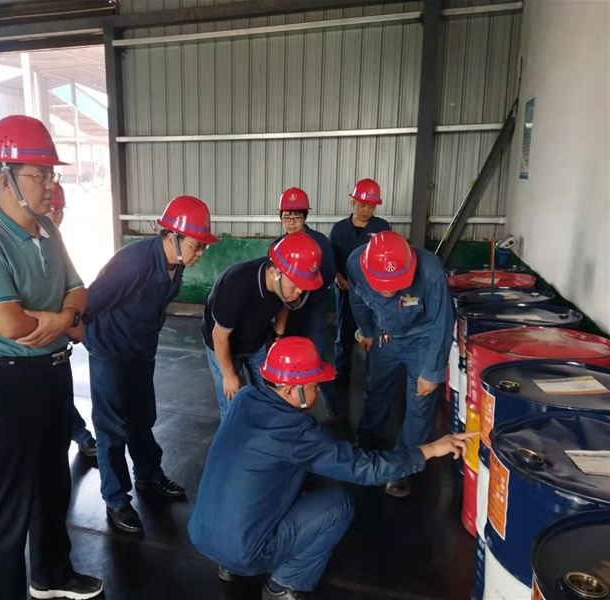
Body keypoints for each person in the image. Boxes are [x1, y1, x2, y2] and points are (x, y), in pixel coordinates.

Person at [188, 337, 475, 600]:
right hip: (245, 552)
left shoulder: (245, 398)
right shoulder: (297, 434)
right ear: (292, 389)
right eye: (314, 385)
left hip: (202, 534)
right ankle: (285, 584)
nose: (318, 390)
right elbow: (367, 469)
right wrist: (431, 449)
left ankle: (229, 566)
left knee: (272, 483)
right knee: (339, 504)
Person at [0, 115, 102, 600]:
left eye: (51, 174)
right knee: (4, 505)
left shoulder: (48, 231)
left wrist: (58, 319)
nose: (50, 185)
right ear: (5, 178)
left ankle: (51, 575)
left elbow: (79, 291)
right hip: (3, 386)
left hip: (52, 376)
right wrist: (66, 321)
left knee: (52, 486)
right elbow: (11, 325)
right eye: (39, 175)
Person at [81, 195, 219, 534]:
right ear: (172, 236)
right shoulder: (131, 263)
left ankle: (147, 474)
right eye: (196, 245)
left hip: (141, 351)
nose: (200, 254)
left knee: (142, 418)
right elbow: (89, 302)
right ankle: (116, 499)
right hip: (110, 352)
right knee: (112, 428)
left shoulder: (177, 264)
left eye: (203, 246)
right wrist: (90, 341)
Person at [346, 231, 454, 498]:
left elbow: (442, 323)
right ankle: (367, 440)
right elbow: (357, 300)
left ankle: (404, 465)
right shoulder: (355, 263)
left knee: (420, 401)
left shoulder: (431, 272)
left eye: (394, 284)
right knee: (376, 388)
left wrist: (432, 371)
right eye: (381, 284)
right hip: (385, 336)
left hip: (423, 340)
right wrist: (366, 330)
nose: (387, 290)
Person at [201, 232, 323, 420]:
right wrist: (229, 374)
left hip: (256, 338)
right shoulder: (235, 285)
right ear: (274, 273)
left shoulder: (284, 287)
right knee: (233, 399)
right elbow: (220, 337)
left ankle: (267, 430)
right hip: (222, 342)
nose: (299, 291)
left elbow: (284, 306)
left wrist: (278, 337)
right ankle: (235, 432)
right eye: (295, 285)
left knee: (271, 390)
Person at [45, 183, 97, 459]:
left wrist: (70, 319)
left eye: (60, 209)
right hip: (35, 342)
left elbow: (75, 287)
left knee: (58, 394)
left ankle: (81, 436)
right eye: (53, 208)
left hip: (58, 337)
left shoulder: (54, 240)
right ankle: (82, 436)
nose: (57, 214)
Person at [328, 178, 391, 386]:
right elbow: (331, 259)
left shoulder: (382, 227)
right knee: (345, 331)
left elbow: (389, 256)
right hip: (346, 289)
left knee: (375, 331)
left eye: (371, 206)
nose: (366, 210)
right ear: (352, 202)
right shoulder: (338, 230)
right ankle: (341, 373)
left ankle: (375, 376)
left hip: (374, 291)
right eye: (362, 205)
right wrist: (339, 279)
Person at [273, 188, 336, 357]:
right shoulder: (277, 246)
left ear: (305, 217)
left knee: (314, 347)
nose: (291, 223)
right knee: (288, 346)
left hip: (314, 304)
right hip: (287, 306)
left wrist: (306, 295)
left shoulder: (319, 241)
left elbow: (329, 273)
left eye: (297, 217)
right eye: (286, 217)